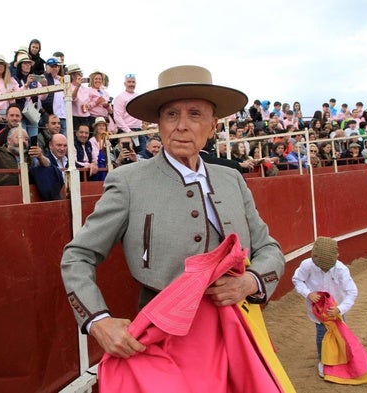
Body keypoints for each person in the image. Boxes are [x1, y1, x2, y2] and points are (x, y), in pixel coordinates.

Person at [61, 66, 288, 390]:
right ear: (158, 124)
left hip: (238, 332)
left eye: (195, 114)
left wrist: (250, 281)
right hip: (163, 342)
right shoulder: (129, 182)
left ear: (212, 126)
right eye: (171, 114)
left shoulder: (231, 179)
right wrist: (98, 321)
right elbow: (77, 256)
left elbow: (268, 249)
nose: (182, 125)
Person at [292, 237, 358, 376]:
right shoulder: (307, 265)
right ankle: (324, 360)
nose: (324, 269)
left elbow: (352, 292)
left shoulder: (341, 269)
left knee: (341, 334)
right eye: (321, 266)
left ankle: (343, 358)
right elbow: (297, 280)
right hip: (319, 312)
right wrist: (308, 293)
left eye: (327, 267)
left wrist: (339, 309)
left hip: (336, 309)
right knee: (322, 335)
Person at [113, 74, 144, 153]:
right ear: (125, 84)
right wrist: (128, 131)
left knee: (143, 155)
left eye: (133, 82)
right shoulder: (120, 97)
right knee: (127, 156)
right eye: (129, 82)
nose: (131, 84)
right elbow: (117, 117)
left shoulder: (138, 96)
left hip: (139, 130)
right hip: (126, 131)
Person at [41, 57, 66, 134]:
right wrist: (44, 112)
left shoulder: (61, 80)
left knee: (65, 141)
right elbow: (39, 98)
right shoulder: (42, 78)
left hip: (63, 116)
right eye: (52, 66)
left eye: (56, 66)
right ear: (46, 67)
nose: (55, 68)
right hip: (49, 116)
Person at [66, 64, 91, 130]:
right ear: (72, 75)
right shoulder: (68, 87)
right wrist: (77, 86)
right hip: (75, 117)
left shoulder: (85, 89)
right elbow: (72, 98)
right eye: (78, 74)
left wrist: (88, 105)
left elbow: (89, 101)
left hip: (86, 116)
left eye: (80, 73)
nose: (80, 75)